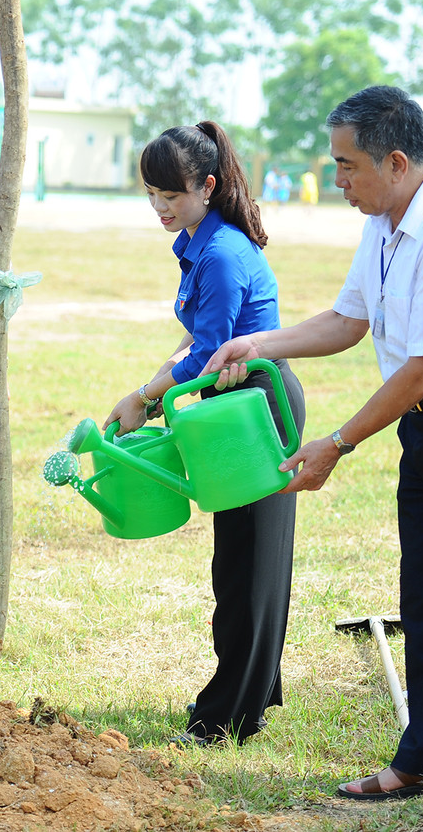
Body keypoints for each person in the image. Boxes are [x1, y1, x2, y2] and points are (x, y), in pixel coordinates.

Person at [204, 86, 423, 831]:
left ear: (396, 162)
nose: (339, 180)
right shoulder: (385, 220)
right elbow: (347, 319)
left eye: (347, 165)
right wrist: (257, 343)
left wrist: (335, 442)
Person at [103, 123, 305, 745]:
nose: (161, 208)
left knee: (250, 569)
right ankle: (254, 692)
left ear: (208, 186)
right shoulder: (198, 240)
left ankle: (228, 716)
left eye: (174, 195)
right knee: (239, 562)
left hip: (254, 404)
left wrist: (147, 396)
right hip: (229, 405)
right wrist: (157, 383)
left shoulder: (219, 253)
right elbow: (197, 341)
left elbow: (213, 353)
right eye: (152, 194)